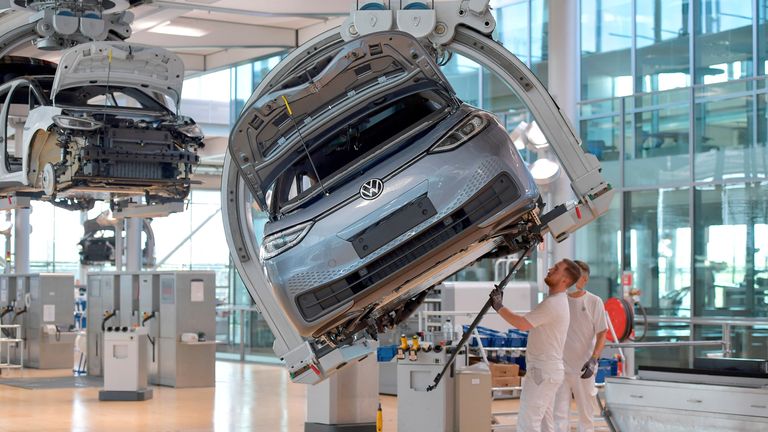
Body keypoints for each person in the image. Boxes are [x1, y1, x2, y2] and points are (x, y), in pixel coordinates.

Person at [490, 259, 582, 432]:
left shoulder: (553, 304)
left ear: (565, 281)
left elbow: (523, 324)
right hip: (546, 370)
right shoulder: (555, 300)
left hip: (543, 371)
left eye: (556, 269)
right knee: (544, 423)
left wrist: (499, 307)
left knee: (529, 421)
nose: (550, 269)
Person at [552, 260, 608, 432]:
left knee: (586, 415)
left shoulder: (594, 302)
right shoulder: (559, 300)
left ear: (584, 280)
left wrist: (594, 359)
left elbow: (602, 333)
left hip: (584, 368)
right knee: (559, 415)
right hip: (560, 367)